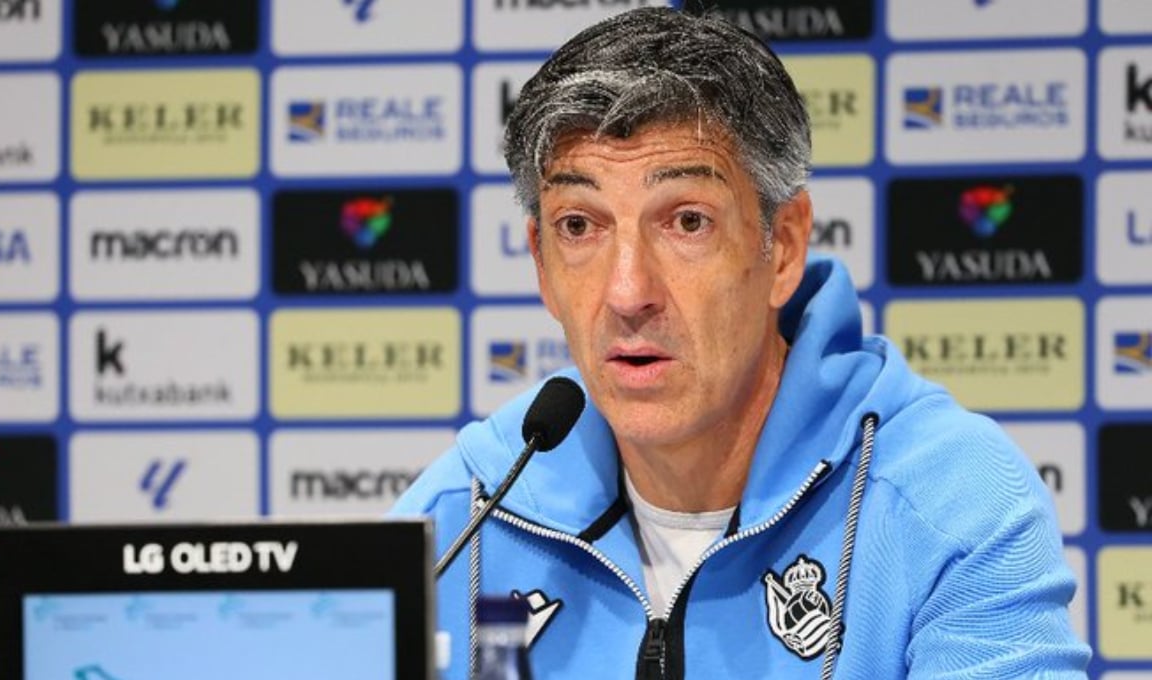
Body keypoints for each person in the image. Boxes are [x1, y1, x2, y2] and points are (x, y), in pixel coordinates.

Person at [393, 7, 1089, 678]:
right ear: (541, 265)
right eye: (580, 226)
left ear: (782, 247)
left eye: (687, 222)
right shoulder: (462, 520)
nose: (628, 292)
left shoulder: (947, 505)